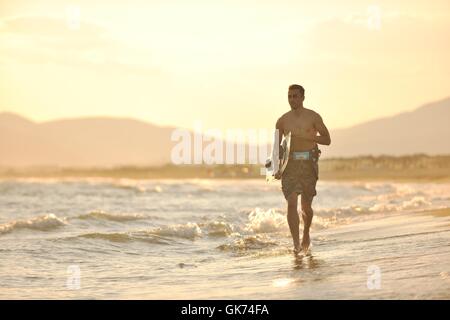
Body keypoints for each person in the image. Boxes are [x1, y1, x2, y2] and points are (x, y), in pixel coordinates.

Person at [274, 84, 331, 254]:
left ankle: (306, 233)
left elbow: (327, 139)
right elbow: (277, 148)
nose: (292, 99)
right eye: (290, 96)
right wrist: (276, 167)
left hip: (308, 163)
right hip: (290, 164)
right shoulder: (282, 121)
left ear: (303, 97)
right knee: (292, 203)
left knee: (306, 206)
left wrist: (309, 136)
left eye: (296, 96)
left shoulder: (313, 117)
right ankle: (296, 244)